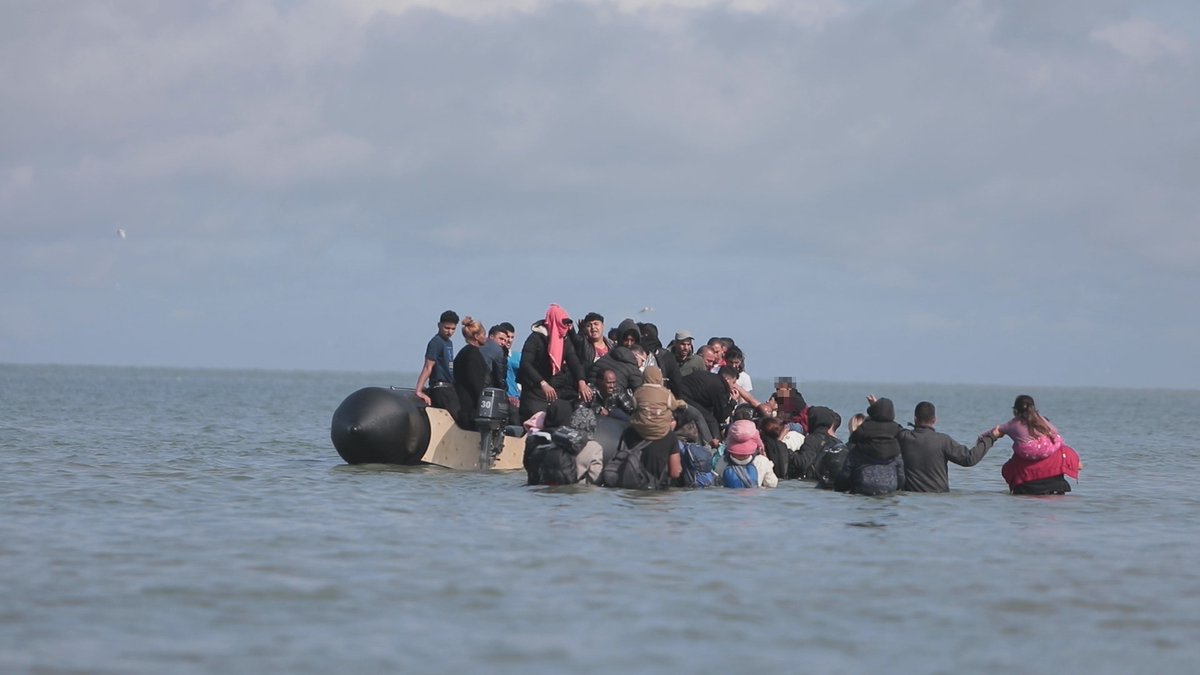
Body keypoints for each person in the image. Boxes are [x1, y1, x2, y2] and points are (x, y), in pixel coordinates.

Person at [989, 394, 1081, 495]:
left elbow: (1006, 472)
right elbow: (1079, 466)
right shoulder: (1062, 450)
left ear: (1015, 412)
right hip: (1056, 492)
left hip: (1027, 491)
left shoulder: (1020, 456)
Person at [899, 401, 995, 492]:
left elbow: (890, 426)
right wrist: (991, 438)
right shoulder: (943, 441)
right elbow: (969, 459)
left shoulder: (903, 437)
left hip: (912, 499)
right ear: (934, 420)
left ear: (915, 419)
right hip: (940, 499)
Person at [517, 304, 592, 422]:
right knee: (534, 425)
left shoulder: (565, 341)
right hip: (534, 392)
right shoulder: (536, 338)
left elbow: (575, 363)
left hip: (555, 392)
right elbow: (526, 363)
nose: (566, 327)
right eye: (563, 323)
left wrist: (581, 381)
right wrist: (542, 383)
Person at [838, 396, 905, 496]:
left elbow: (846, 473)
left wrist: (839, 488)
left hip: (863, 485)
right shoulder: (895, 443)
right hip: (890, 486)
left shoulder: (863, 432)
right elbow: (901, 477)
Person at [415, 310, 459, 414]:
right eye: (447, 328)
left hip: (449, 387)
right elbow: (427, 367)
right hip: (440, 388)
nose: (450, 332)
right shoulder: (436, 342)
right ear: (439, 325)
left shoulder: (449, 342)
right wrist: (419, 390)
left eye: (453, 329)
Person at [629, 365, 687, 441]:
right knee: (671, 416)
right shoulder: (666, 393)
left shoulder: (638, 392)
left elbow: (634, 406)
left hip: (641, 430)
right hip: (661, 432)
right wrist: (682, 403)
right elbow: (674, 406)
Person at [713, 419, 778, 488]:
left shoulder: (723, 461)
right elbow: (772, 484)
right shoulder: (762, 461)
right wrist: (768, 463)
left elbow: (716, 483)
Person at [451, 317, 490, 430]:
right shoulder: (472, 354)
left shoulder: (464, 352)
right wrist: (483, 399)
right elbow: (475, 381)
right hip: (469, 405)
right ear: (477, 337)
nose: (486, 338)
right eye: (484, 334)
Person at [790, 406, 842, 480]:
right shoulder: (836, 442)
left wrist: (788, 452)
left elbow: (803, 462)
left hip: (810, 481)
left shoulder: (812, 439)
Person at [574, 311, 614, 380]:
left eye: (596, 324)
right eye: (589, 325)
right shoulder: (583, 346)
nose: (593, 327)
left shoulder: (612, 346)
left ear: (602, 326)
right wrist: (580, 333)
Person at [479, 322, 515, 393]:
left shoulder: (478, 346)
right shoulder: (498, 350)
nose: (503, 342)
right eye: (501, 339)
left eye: (505, 340)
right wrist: (504, 391)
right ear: (491, 337)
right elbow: (499, 375)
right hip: (487, 388)